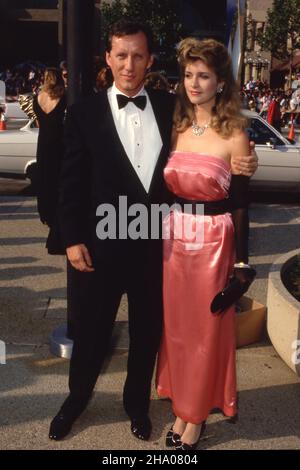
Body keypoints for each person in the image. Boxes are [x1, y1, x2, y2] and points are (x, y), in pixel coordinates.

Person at [49, 20, 258, 442]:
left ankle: (136, 407)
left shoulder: (171, 110)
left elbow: (214, 152)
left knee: (148, 334)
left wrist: (247, 164)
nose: (129, 64)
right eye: (121, 55)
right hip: (100, 247)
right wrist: (72, 238)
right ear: (108, 59)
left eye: (138, 55)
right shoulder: (84, 112)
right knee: (91, 332)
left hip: (158, 250)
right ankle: (75, 401)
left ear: (150, 60)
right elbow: (68, 182)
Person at [156, 37, 254, 450]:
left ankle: (195, 417)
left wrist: (243, 264)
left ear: (220, 82)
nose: (193, 84)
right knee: (177, 331)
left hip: (214, 244)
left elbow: (242, 206)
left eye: (204, 76)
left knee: (206, 333)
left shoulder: (236, 134)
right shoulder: (174, 125)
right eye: (188, 75)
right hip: (174, 241)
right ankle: (182, 406)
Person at [32, 67, 66, 254]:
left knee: (45, 181)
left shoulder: (38, 97)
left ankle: (47, 215)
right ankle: (57, 227)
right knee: (59, 182)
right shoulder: (64, 95)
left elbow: (38, 121)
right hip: (59, 145)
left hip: (43, 143)